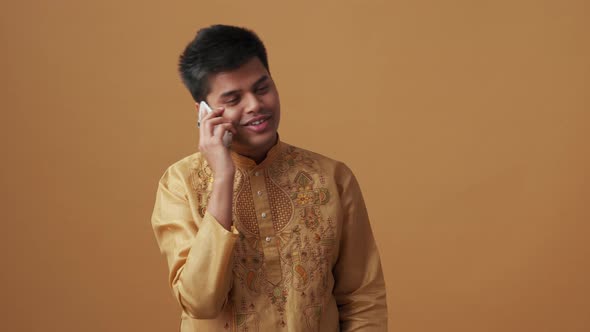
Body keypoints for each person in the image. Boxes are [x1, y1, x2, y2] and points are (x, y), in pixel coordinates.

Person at [151, 24, 388, 331]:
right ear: (203, 112)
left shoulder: (331, 178)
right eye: (234, 99)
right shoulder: (179, 184)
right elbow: (200, 303)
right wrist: (223, 177)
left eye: (262, 88)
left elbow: (362, 297)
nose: (255, 105)